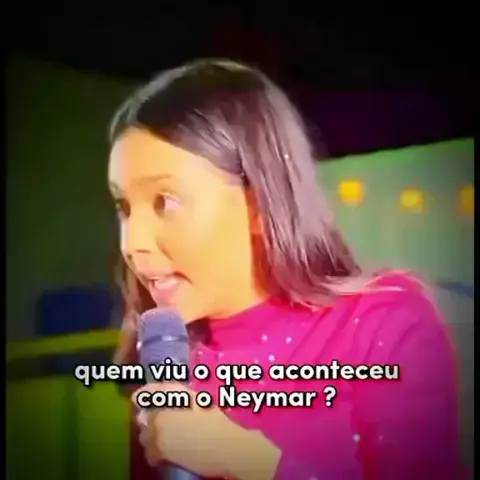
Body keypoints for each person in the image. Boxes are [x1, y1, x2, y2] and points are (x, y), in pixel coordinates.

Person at [108, 59, 463, 479]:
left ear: (260, 203)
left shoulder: (384, 325)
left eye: (166, 202)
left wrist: (252, 462)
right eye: (124, 207)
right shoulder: (164, 363)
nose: (131, 244)